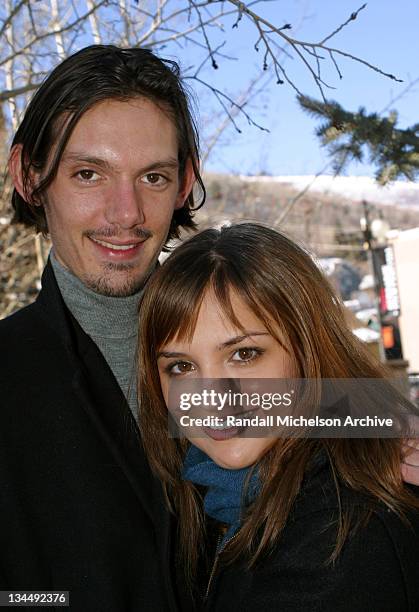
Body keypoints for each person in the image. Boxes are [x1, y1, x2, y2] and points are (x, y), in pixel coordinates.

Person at [1, 45, 203, 610]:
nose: (126, 214)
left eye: (153, 177)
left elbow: (323, 417)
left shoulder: (234, 344)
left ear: (184, 183)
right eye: (89, 173)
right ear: (29, 176)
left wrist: (386, 431)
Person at [137, 222, 419, 611]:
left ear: (308, 353)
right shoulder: (217, 499)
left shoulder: (338, 534)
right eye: (181, 367)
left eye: (244, 354)